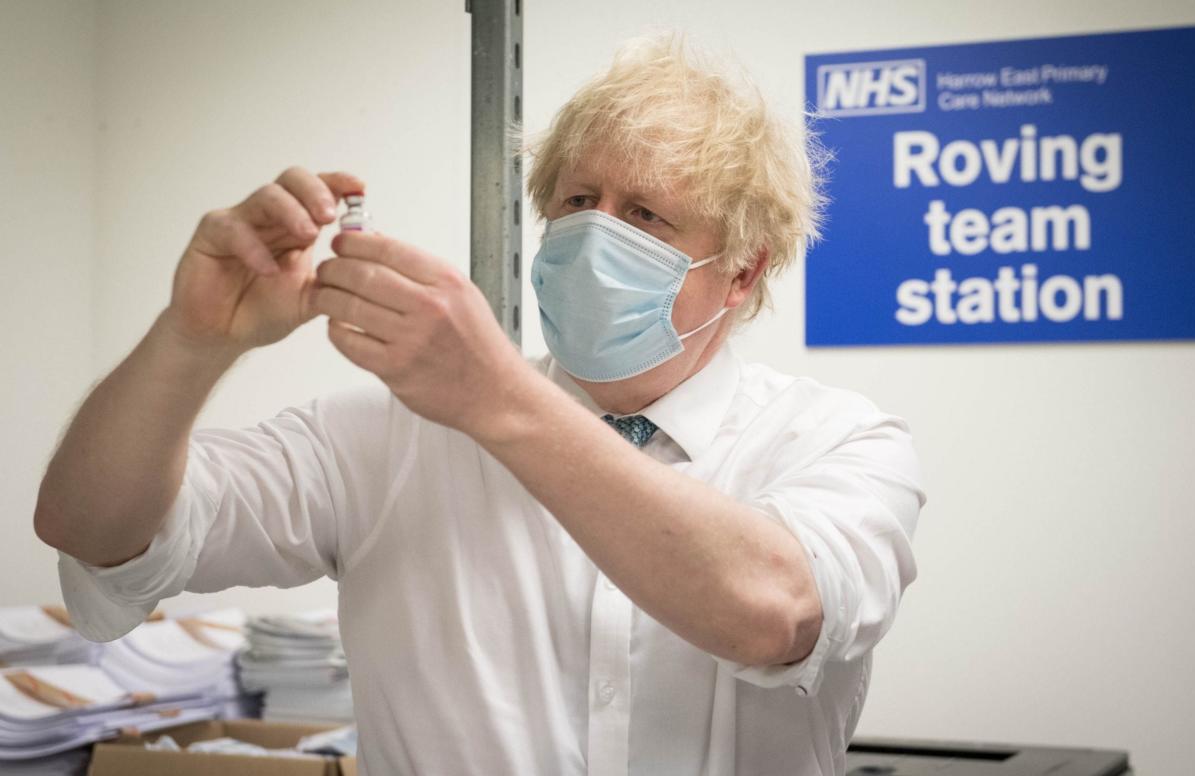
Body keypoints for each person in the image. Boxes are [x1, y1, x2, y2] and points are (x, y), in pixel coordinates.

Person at [34, 35, 923, 776]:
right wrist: (191, 340)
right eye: (577, 201)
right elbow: (93, 528)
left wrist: (495, 398)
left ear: (742, 271)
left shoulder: (839, 441)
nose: (593, 233)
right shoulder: (385, 437)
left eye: (645, 215)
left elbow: (772, 612)